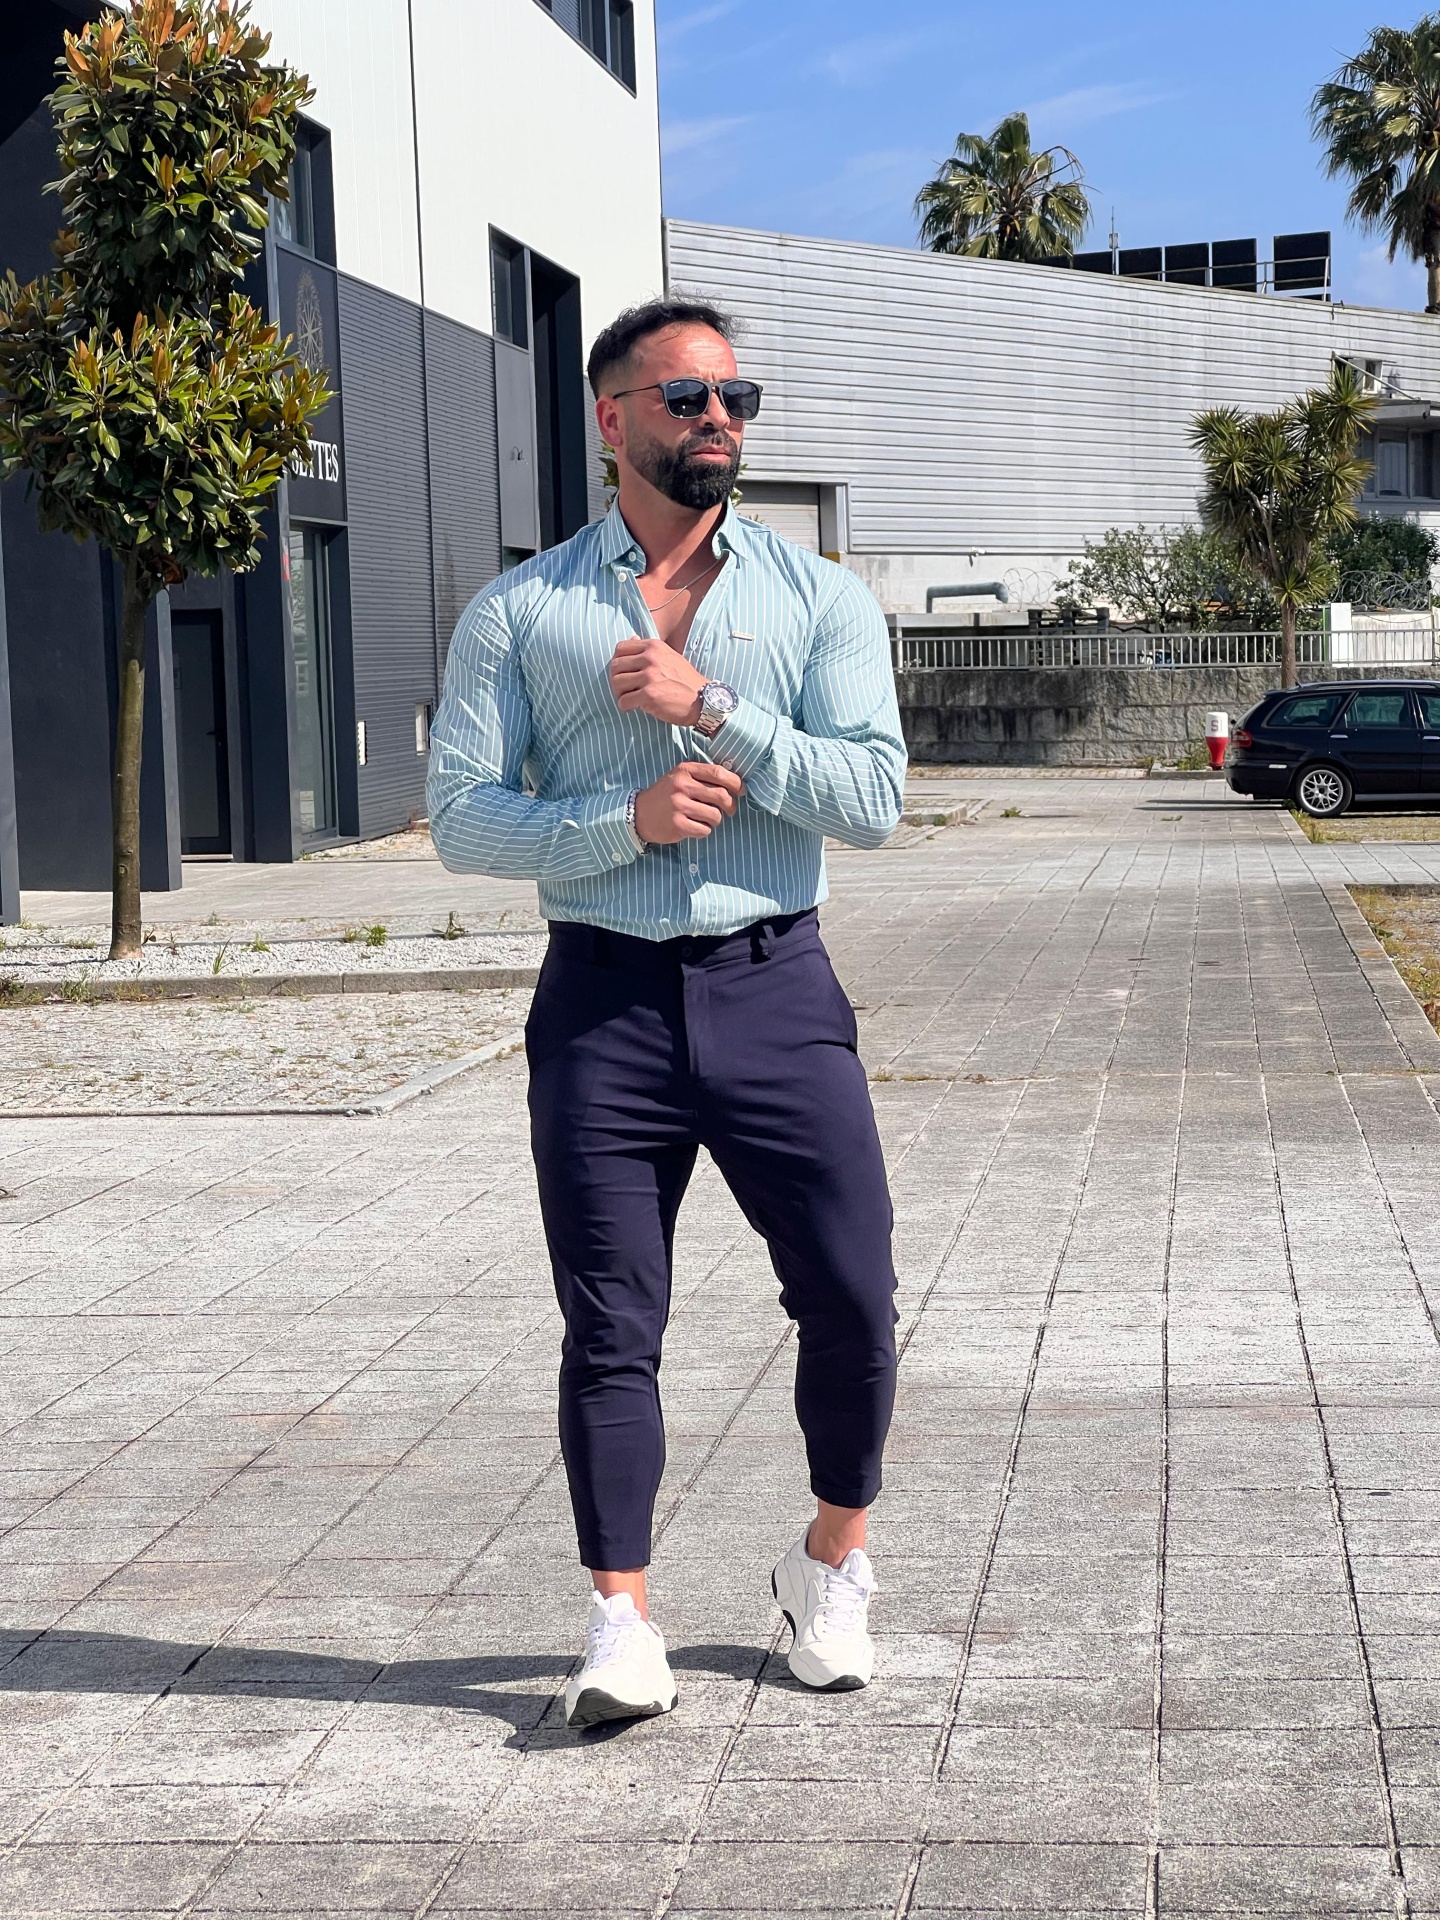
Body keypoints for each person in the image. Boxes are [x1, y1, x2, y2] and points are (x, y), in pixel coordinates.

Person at [427, 297, 906, 1729]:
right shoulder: (522, 612)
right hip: (604, 1003)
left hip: (777, 987)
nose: (719, 421)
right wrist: (619, 825)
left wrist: (718, 712)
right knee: (611, 1322)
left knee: (853, 1298)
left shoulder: (821, 601)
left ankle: (832, 1562)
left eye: (735, 398)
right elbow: (462, 819)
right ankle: (620, 1620)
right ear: (613, 417)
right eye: (688, 398)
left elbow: (873, 800)